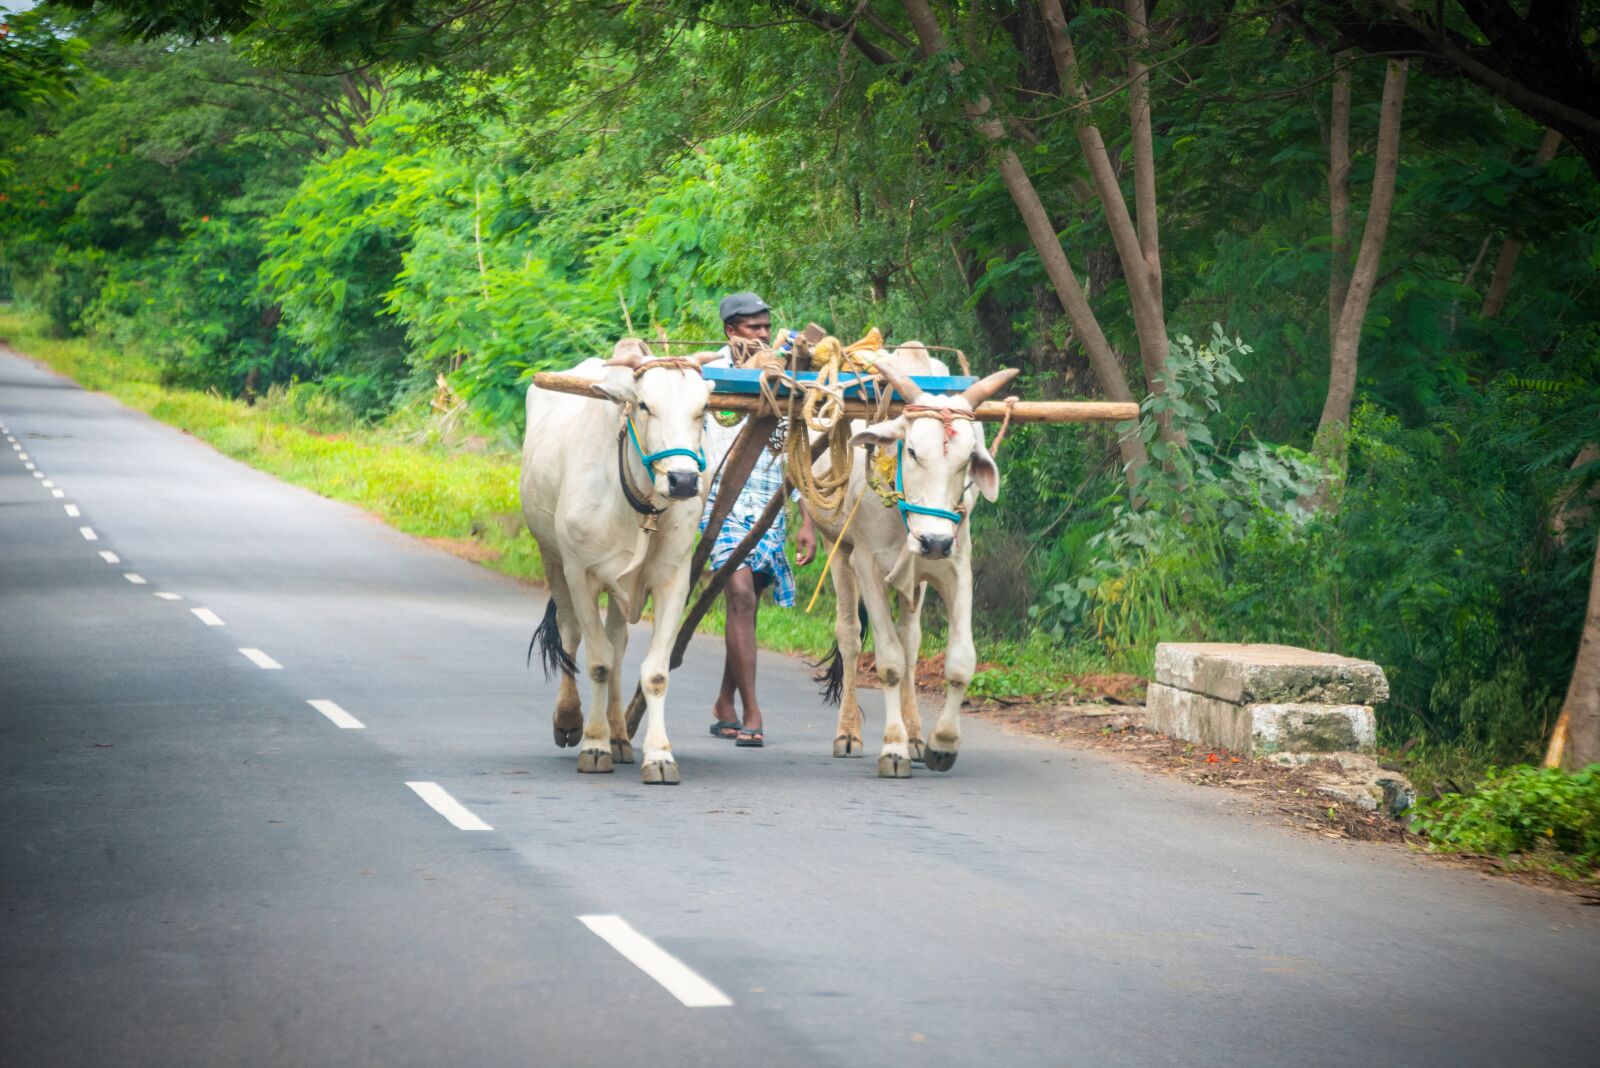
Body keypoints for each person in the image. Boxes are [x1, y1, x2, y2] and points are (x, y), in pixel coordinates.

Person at [702, 292, 816, 747]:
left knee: (746, 604)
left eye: (767, 326)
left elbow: (798, 451)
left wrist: (806, 520)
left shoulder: (788, 374)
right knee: (742, 595)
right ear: (731, 332)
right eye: (753, 328)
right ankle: (752, 711)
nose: (764, 335)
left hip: (770, 502)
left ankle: (724, 702)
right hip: (721, 503)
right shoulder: (706, 374)